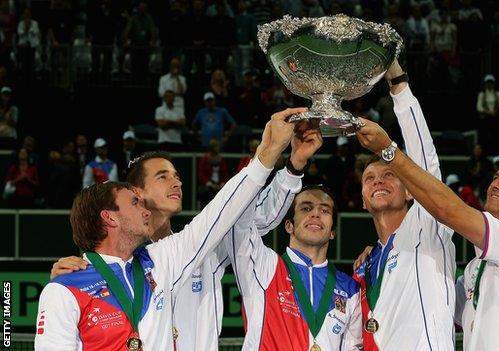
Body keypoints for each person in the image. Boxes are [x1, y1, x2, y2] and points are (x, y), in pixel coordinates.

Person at [37, 108, 306, 350]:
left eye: (177, 176)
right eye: (163, 177)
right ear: (115, 213)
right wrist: (65, 284)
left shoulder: (163, 259)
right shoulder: (72, 284)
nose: (177, 183)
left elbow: (230, 214)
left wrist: (271, 156)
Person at [355, 120, 499, 350]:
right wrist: (384, 255)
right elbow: (432, 291)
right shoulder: (474, 270)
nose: (496, 184)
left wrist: (389, 150)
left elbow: (448, 211)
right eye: (496, 177)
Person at [352, 61, 456, 350]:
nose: (378, 181)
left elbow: (426, 166)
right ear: (362, 199)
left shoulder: (426, 226)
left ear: (411, 191)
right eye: (369, 178)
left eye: (389, 175)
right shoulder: (368, 263)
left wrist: (398, 85)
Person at [228, 182, 362, 350]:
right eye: (306, 208)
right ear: (289, 225)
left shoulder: (350, 289)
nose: (315, 214)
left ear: (333, 231)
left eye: (325, 210)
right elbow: (238, 218)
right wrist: (291, 172)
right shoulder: (265, 266)